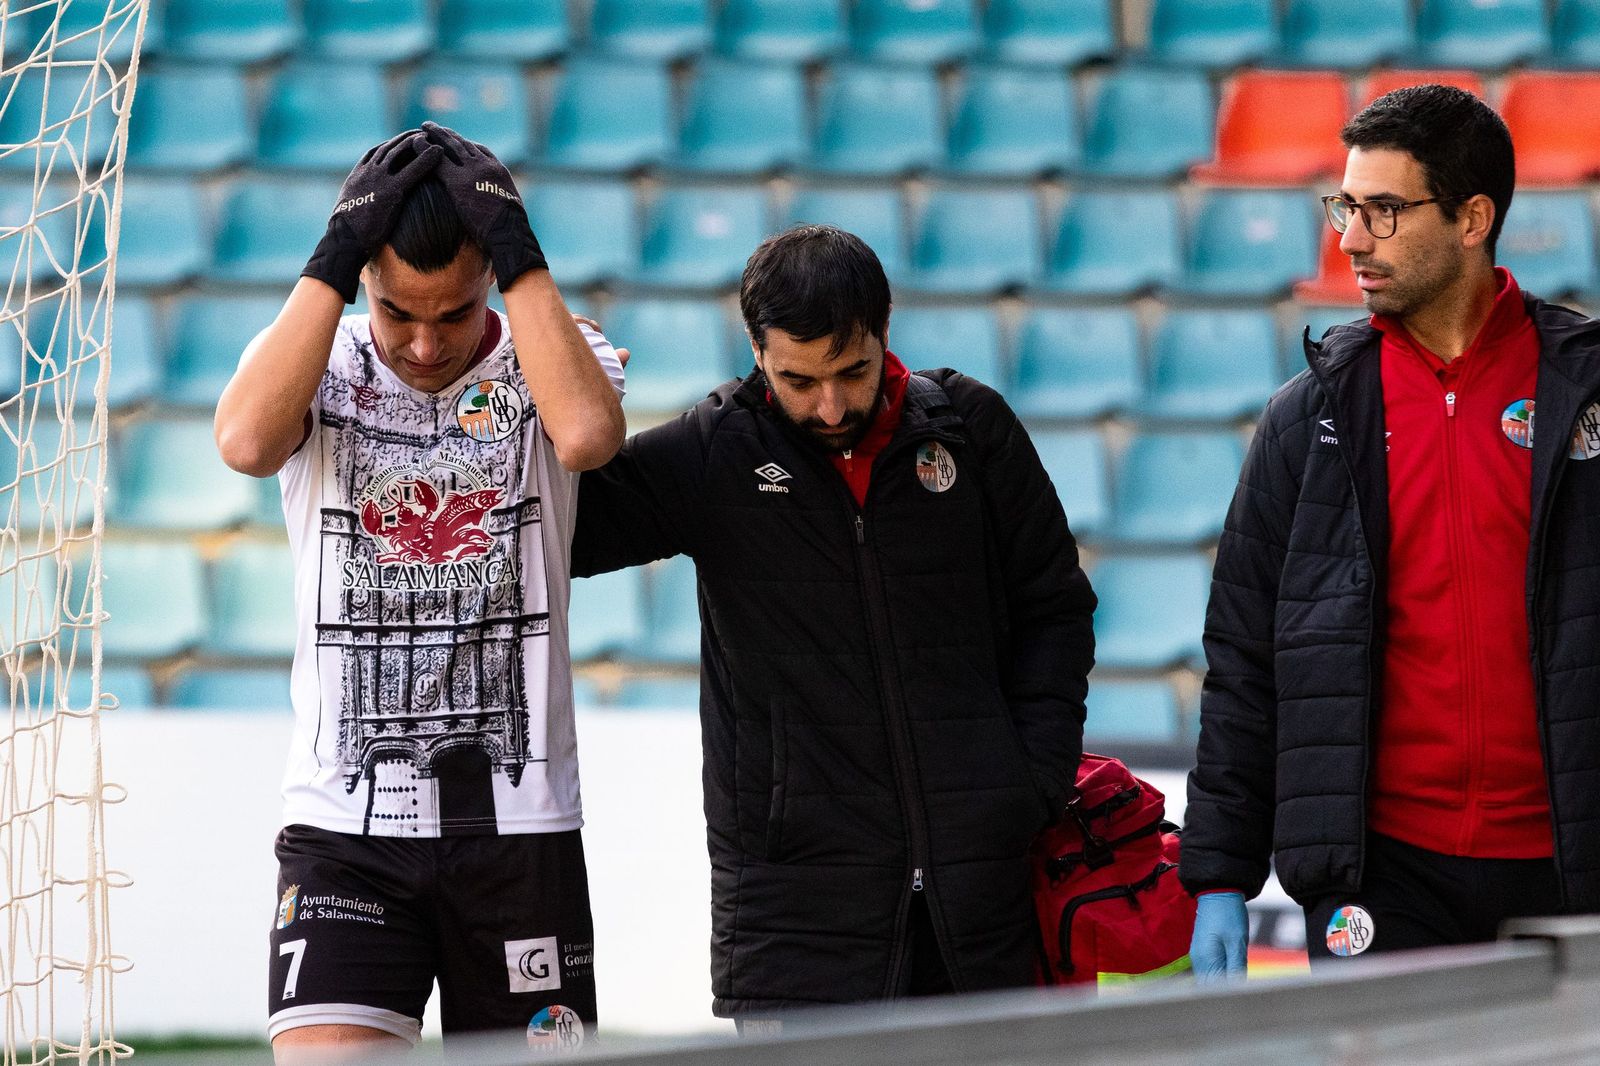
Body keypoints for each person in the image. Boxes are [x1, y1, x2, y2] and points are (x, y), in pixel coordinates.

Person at [570, 225, 1096, 1022]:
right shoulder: (715, 452)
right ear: (755, 350)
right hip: (793, 920)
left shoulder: (971, 429)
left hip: (980, 904)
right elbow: (554, 538)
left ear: (886, 329)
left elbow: (1055, 608)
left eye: (851, 371)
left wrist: (1027, 785)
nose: (830, 405)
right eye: (797, 380)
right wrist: (539, 375)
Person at [213, 123, 625, 1060]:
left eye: (458, 310)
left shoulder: (553, 353)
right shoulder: (312, 362)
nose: (429, 344)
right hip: (344, 827)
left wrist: (521, 261)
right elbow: (243, 445)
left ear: (493, 276)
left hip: (521, 828)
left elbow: (589, 440)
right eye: (401, 312)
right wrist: (332, 256)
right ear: (363, 281)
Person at [1181, 84, 1600, 977]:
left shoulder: (1587, 396)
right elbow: (1247, 654)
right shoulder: (1309, 417)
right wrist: (1218, 873)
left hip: (1572, 868)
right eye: (1346, 205)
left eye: (1383, 209)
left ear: (1473, 217)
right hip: (1382, 877)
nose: (1350, 236)